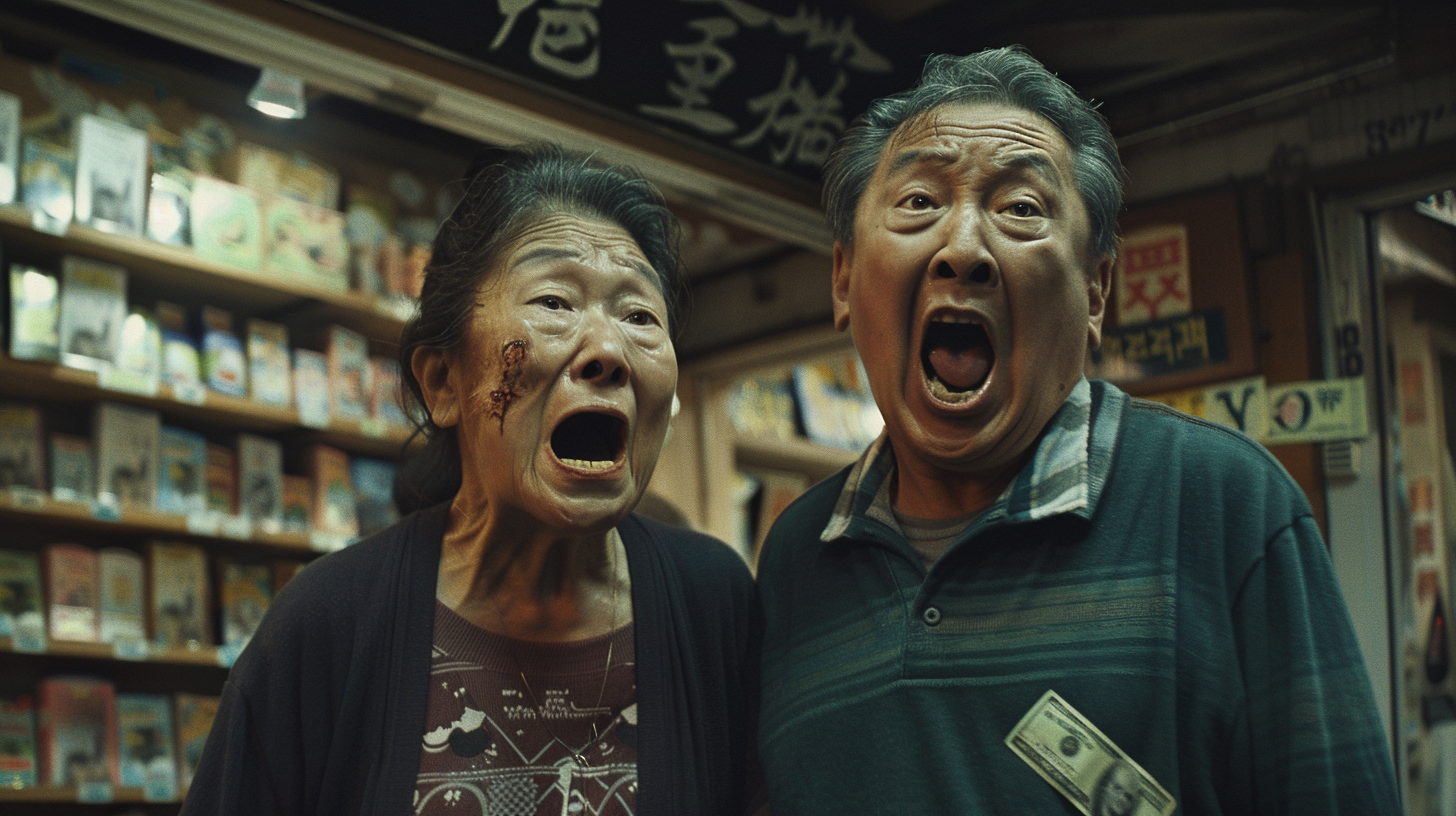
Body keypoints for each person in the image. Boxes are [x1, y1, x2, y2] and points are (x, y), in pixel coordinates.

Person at [754, 46, 1401, 814]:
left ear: (1096, 290)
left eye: (1021, 209)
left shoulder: (1223, 503)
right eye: (920, 202)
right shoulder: (798, 556)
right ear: (842, 279)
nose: (962, 249)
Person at [182, 144, 759, 816]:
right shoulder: (327, 623)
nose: (608, 350)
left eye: (639, 317)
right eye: (554, 301)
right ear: (442, 383)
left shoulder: (714, 604)